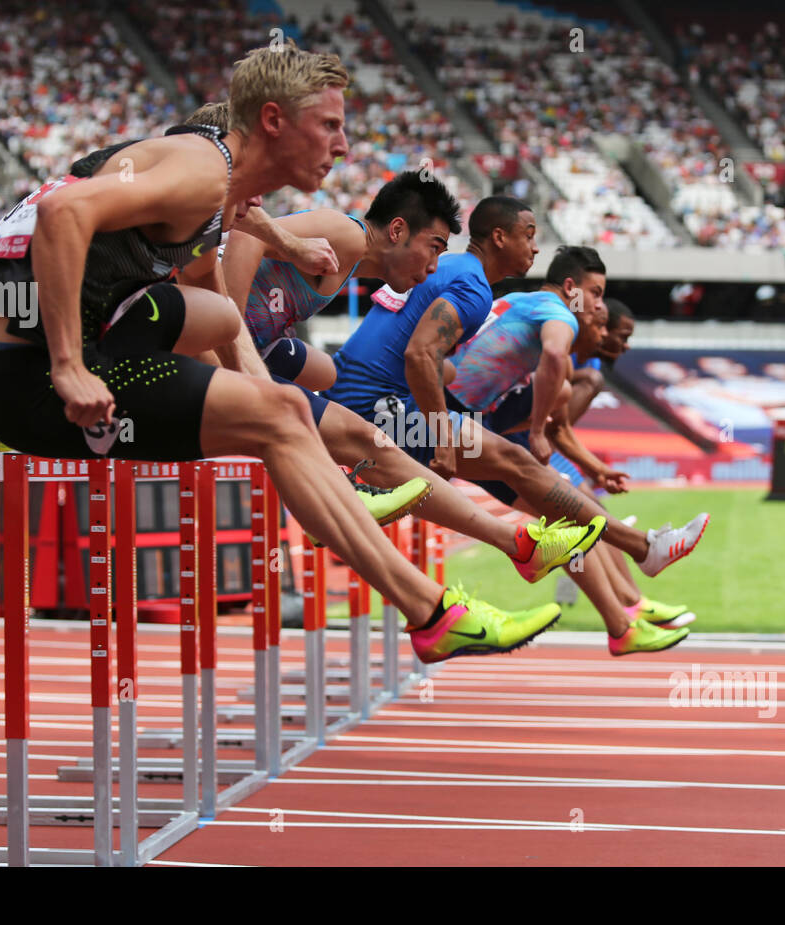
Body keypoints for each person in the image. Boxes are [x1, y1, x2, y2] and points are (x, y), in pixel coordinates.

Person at [0, 43, 561, 664]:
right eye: (328, 125)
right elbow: (61, 211)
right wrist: (69, 366)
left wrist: (267, 392)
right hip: (22, 374)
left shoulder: (214, 196)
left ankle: (384, 541)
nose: (343, 145)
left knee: (252, 359)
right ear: (273, 121)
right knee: (283, 410)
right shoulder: (201, 172)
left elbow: (214, 305)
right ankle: (431, 611)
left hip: (53, 340)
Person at [220, 164, 604, 582]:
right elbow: (244, 233)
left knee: (326, 378)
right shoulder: (346, 234)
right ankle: (335, 502)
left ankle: (337, 502)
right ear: (398, 231)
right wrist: (234, 330)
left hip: (271, 351)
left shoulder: (351, 266)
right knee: (344, 430)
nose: (435, 266)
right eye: (435, 248)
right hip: (210, 339)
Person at [323, 202, 710, 599]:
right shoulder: (483, 288)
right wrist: (460, 433)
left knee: (533, 486)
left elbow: (434, 359)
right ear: (499, 236)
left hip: (397, 403)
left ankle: (626, 596)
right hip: (387, 410)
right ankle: (639, 553)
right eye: (529, 235)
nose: (536, 248)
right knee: (523, 459)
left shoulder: (463, 277)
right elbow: (423, 355)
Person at [447, 250, 694, 653]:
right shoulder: (556, 318)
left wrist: (588, 464)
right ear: (570, 290)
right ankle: (638, 572)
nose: (599, 314)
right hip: (443, 416)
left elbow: (556, 422)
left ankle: (626, 612)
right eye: (596, 301)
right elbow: (556, 423)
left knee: (572, 517)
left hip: (469, 419)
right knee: (573, 510)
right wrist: (545, 433)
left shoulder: (532, 313)